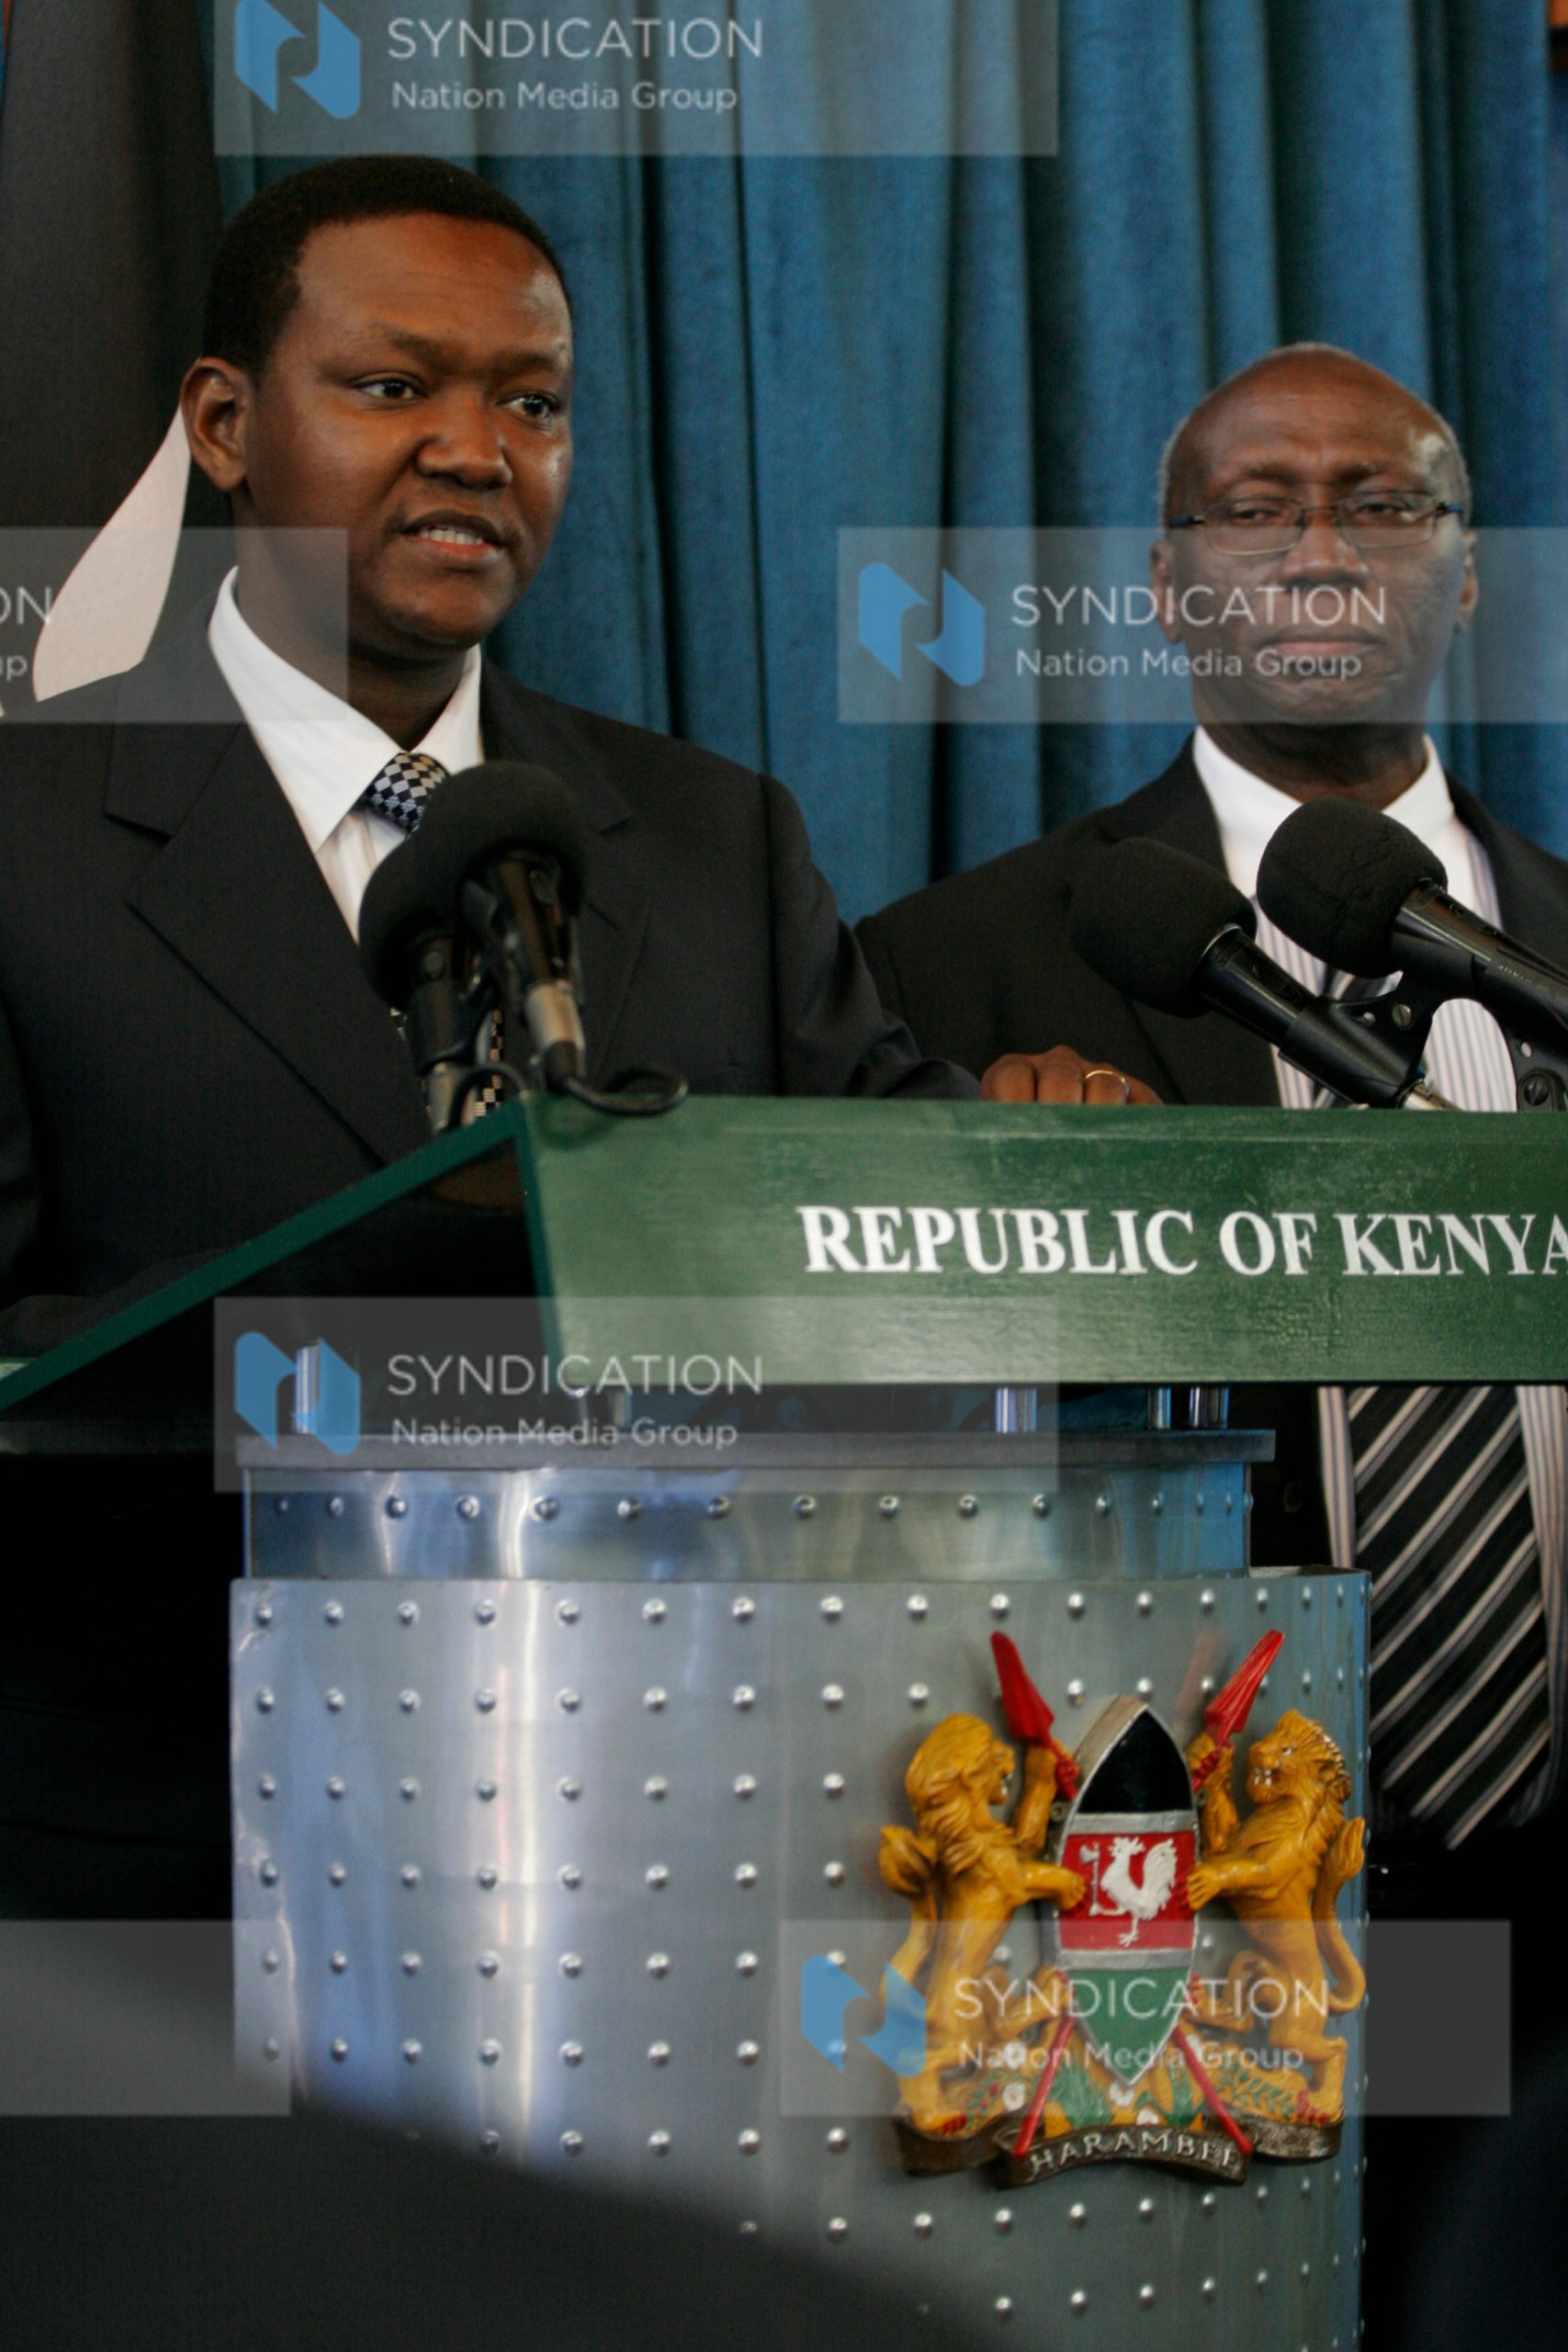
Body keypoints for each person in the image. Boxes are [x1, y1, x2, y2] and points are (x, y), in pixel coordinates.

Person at [857, 341, 1568, 2335]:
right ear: (1166, 582)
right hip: (1170, 1886)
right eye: (1254, 510)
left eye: (1380, 503)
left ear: (1465, 575)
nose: (1318, 550)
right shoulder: (958, 958)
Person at [0, 154, 1141, 1356]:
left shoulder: (720, 837)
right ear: (226, 427)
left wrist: (1035, 1157)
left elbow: (900, 1217)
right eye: (395, 387)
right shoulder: (26, 841)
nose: (477, 452)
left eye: (532, 403)